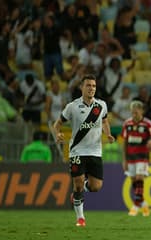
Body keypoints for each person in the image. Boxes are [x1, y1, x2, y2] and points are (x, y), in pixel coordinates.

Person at [53, 74, 115, 227]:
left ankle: (77, 193)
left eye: (94, 86)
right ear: (81, 87)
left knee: (96, 187)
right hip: (77, 151)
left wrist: (108, 134)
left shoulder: (101, 105)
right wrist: (58, 133)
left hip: (95, 152)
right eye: (88, 85)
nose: (91, 89)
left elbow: (105, 120)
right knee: (78, 183)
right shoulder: (72, 106)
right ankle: (80, 218)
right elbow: (57, 123)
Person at [121, 100, 151, 217]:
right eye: (132, 113)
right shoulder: (127, 124)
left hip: (142, 156)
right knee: (134, 182)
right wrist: (124, 159)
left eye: (136, 112)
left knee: (139, 178)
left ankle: (135, 206)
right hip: (130, 157)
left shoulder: (148, 124)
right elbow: (125, 142)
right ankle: (144, 203)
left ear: (142, 111)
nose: (134, 115)